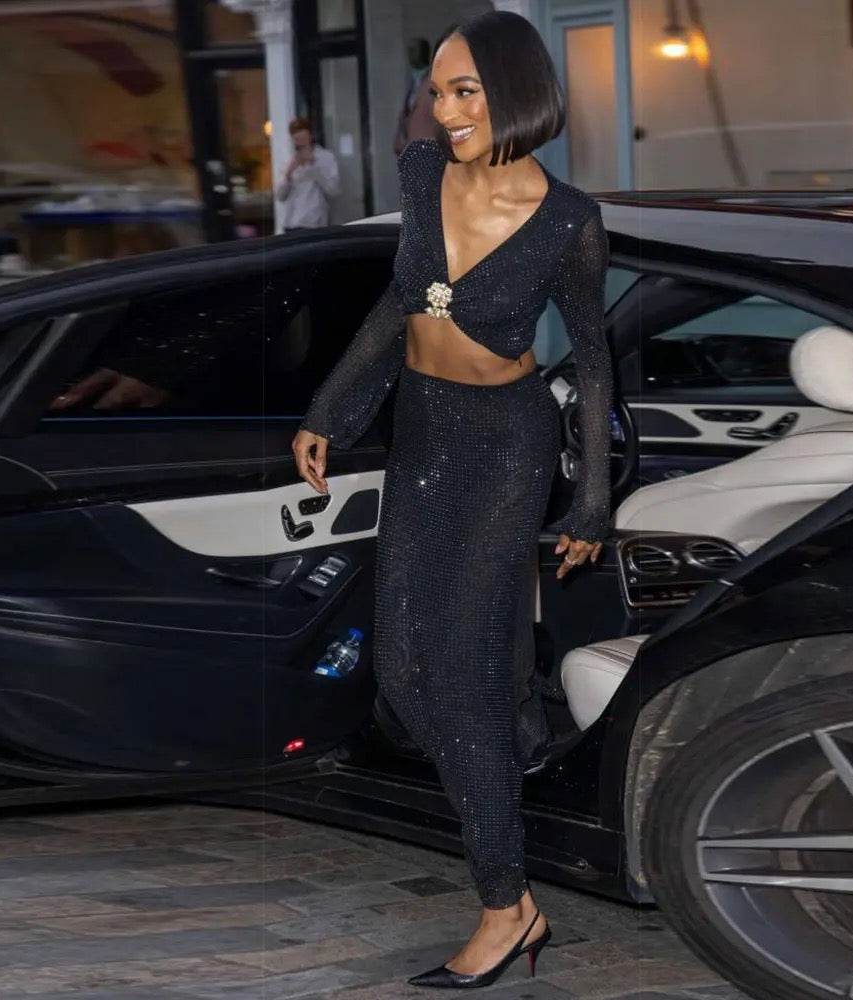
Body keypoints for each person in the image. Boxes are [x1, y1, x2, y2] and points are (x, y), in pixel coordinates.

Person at [292, 9, 612, 989]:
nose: (444, 109)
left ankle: (503, 906)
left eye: (463, 90)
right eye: (436, 91)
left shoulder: (568, 220)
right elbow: (399, 304)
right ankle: (503, 766)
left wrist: (591, 504)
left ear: (514, 91)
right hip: (422, 431)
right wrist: (331, 411)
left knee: (464, 676)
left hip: (507, 444)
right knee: (400, 668)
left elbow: (594, 363)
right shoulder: (423, 174)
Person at [276, 117, 340, 230]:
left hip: (315, 224)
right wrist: (288, 173)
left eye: (303, 138)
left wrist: (314, 166)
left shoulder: (325, 157)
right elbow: (280, 196)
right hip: (290, 224)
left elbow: (334, 190)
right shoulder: (287, 161)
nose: (300, 143)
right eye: (296, 139)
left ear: (310, 136)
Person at [393, 36, 434, 156]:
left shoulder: (433, 82)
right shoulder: (412, 83)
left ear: (424, 53)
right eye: (409, 50)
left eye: (414, 49)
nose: (410, 54)